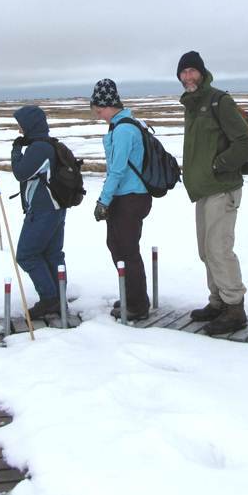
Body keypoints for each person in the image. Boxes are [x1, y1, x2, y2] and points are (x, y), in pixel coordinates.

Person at [177, 51, 248, 335]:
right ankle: (218, 301)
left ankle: (234, 307)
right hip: (204, 189)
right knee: (206, 250)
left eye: (192, 71)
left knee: (219, 248)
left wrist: (218, 165)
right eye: (183, 72)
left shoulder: (219, 101)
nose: (188, 77)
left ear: (202, 72)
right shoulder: (192, 104)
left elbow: (244, 142)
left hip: (222, 187)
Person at [90, 79, 152, 321]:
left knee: (127, 249)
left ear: (109, 105)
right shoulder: (119, 126)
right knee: (117, 245)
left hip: (130, 198)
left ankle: (137, 305)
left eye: (99, 110)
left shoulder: (124, 130)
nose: (98, 115)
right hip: (126, 196)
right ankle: (131, 295)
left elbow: (117, 170)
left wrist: (103, 201)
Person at [11, 105, 67, 319]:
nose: (19, 130)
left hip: (43, 210)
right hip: (55, 208)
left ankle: (50, 299)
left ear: (30, 125)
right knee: (52, 254)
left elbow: (20, 173)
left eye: (21, 125)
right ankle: (58, 299)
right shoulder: (47, 144)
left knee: (26, 255)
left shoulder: (39, 149)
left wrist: (16, 151)